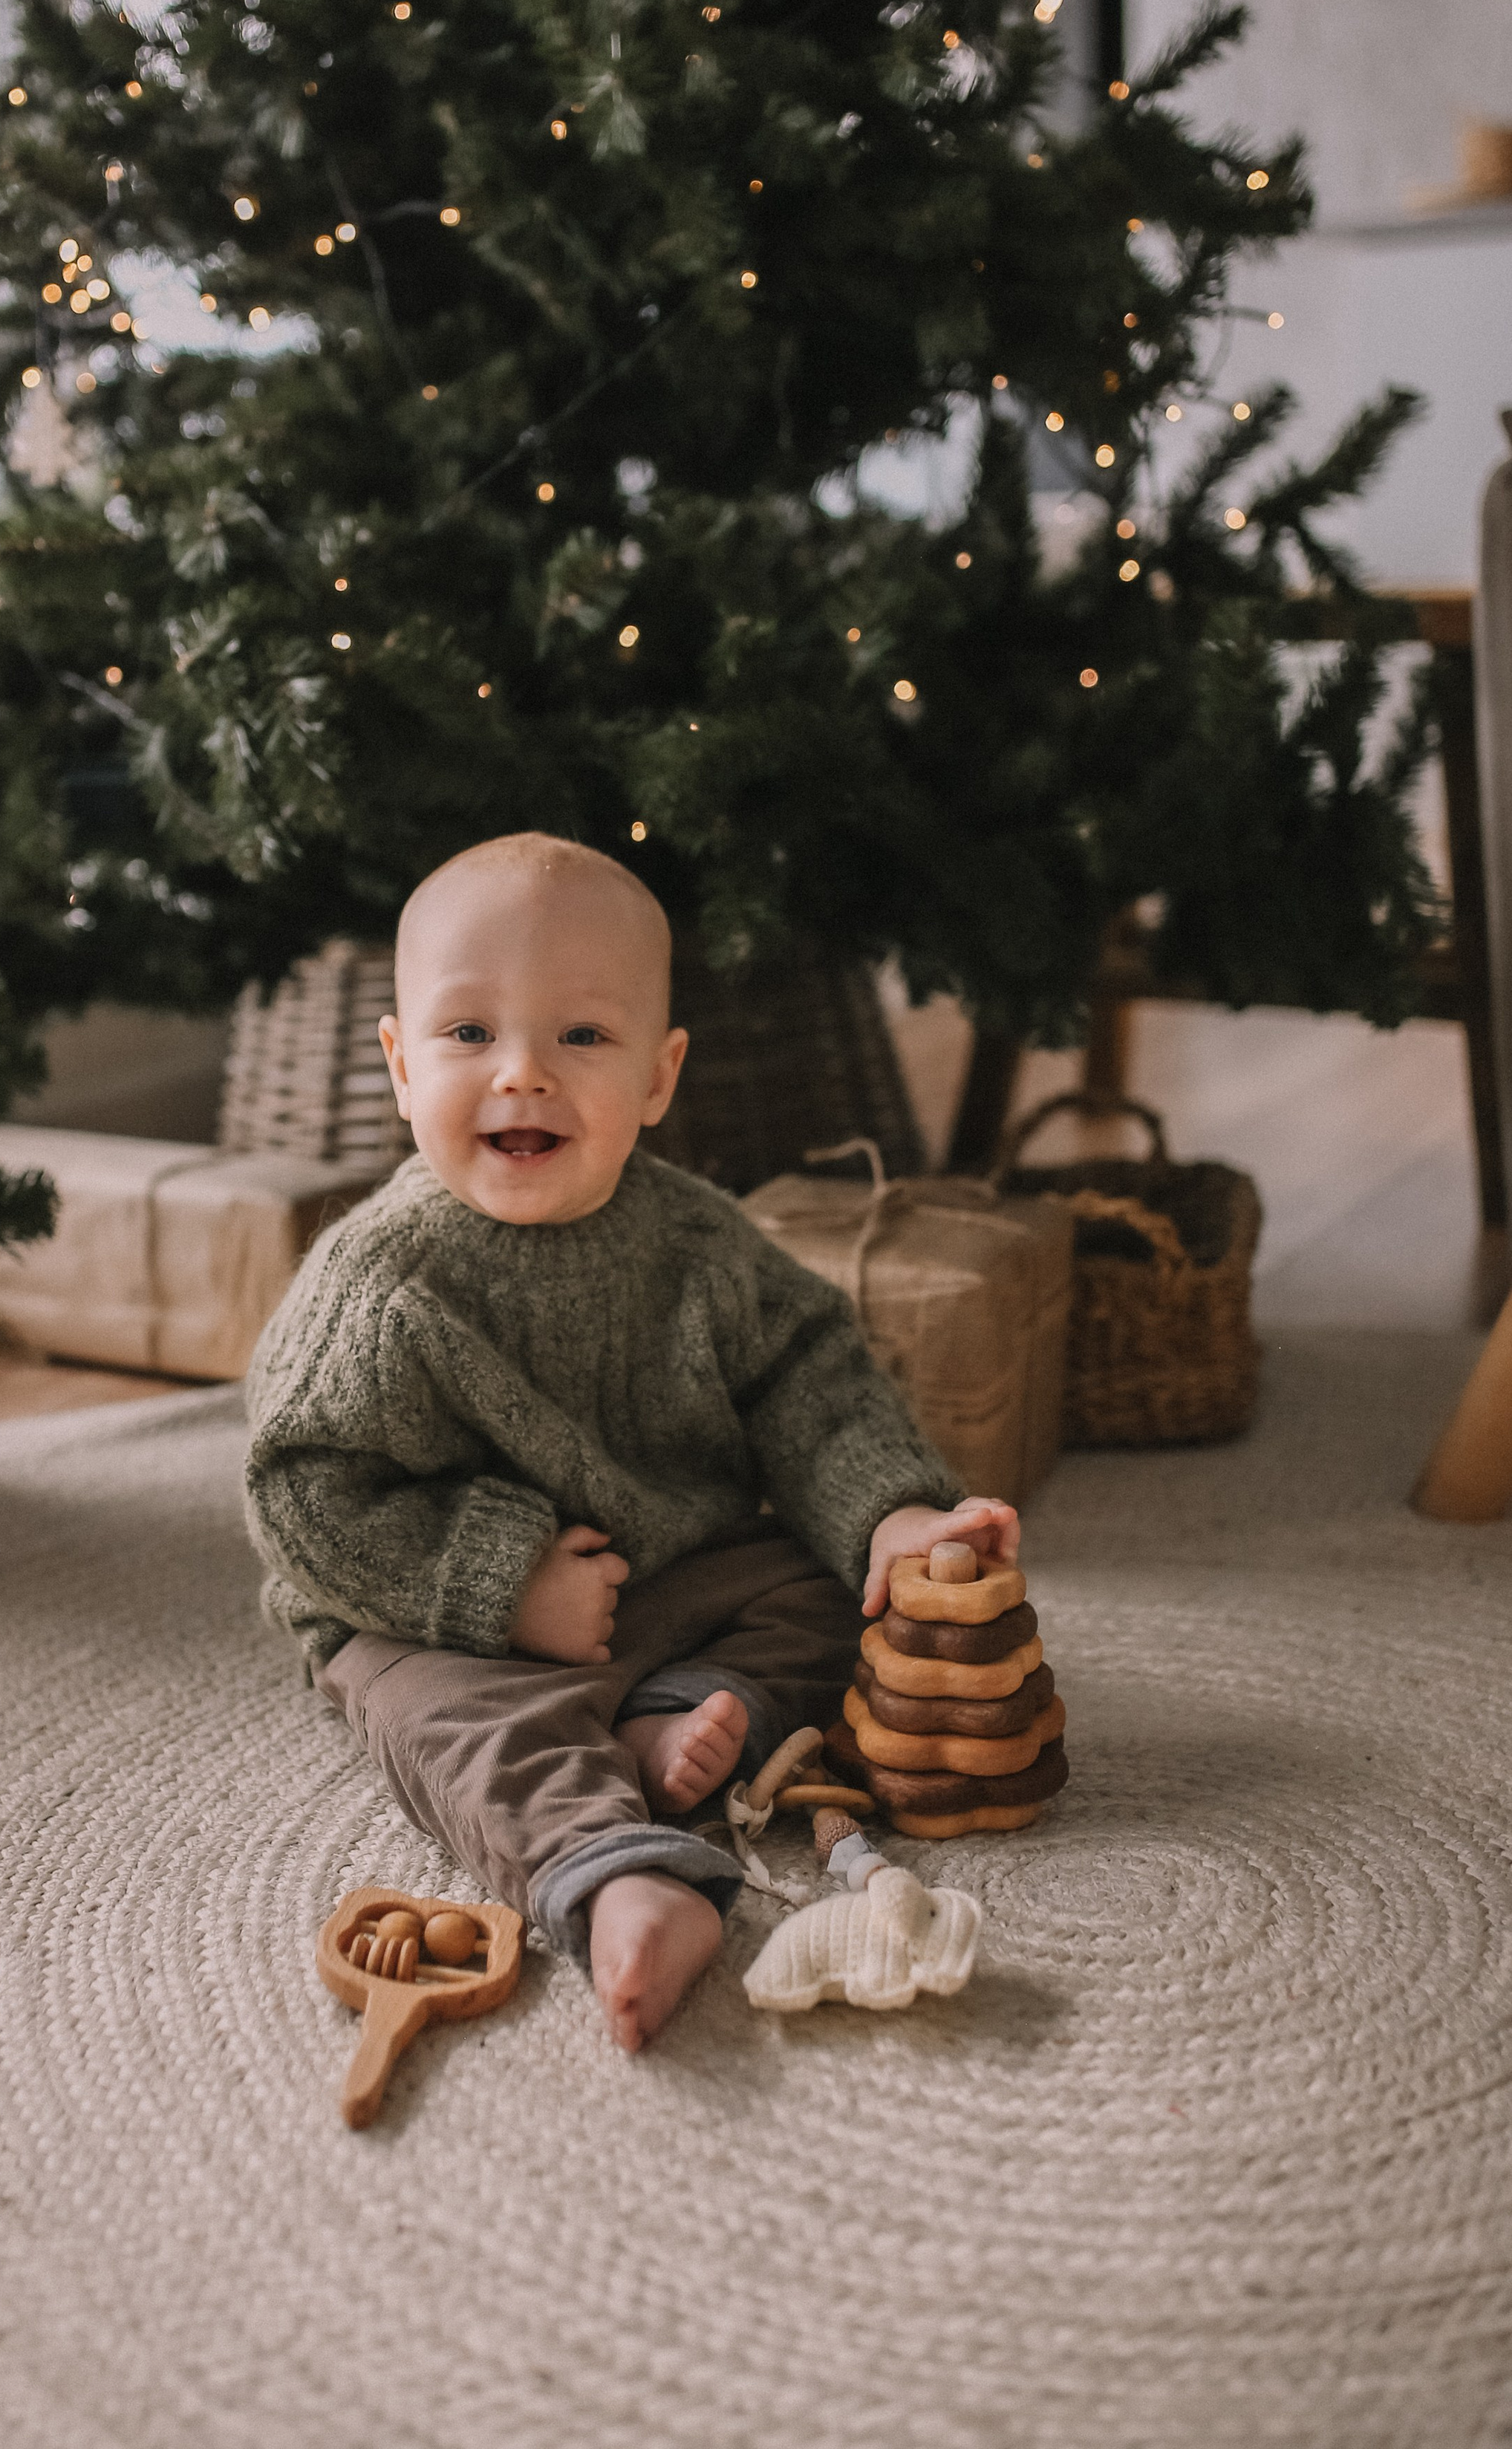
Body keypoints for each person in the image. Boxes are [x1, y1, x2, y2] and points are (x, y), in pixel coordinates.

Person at [243, 834, 1019, 2049]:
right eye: (467, 1036)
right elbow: (302, 1500)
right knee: (453, 1728)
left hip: (683, 1571)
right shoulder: (383, 1288)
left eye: (581, 1038)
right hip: (443, 1622)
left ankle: (685, 1714)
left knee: (835, 1597)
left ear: (659, 1080)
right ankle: (620, 1870)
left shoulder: (701, 1244)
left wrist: (892, 1518)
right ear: (399, 1065)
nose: (522, 1077)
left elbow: (809, 1379)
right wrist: (505, 1587)